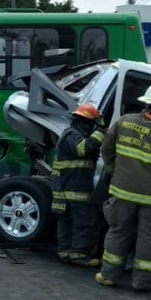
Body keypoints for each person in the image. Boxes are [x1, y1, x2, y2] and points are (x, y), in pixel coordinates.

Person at [95, 82, 151, 292]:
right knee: (150, 237)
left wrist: (113, 170)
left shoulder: (124, 122)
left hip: (122, 191)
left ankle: (108, 276)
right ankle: (144, 282)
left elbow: (106, 148)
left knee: (118, 232)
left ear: (147, 103)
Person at [50, 103, 105, 267]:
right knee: (84, 221)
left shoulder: (73, 133)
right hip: (74, 188)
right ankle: (79, 254)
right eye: (91, 123)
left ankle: (66, 252)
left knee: (67, 221)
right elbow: (84, 150)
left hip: (69, 186)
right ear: (85, 122)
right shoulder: (72, 135)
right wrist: (100, 132)